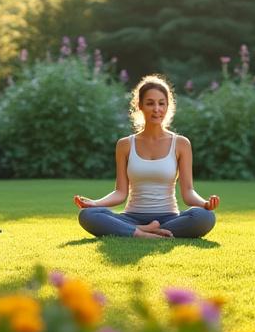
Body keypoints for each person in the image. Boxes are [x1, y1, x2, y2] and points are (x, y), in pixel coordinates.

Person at [74, 75, 218, 239]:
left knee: (205, 217)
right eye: (150, 103)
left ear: (167, 106)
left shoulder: (181, 144)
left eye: (161, 103)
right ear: (140, 106)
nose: (156, 109)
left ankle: (137, 231)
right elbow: (120, 192)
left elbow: (188, 192)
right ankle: (141, 232)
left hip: (169, 217)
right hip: (132, 216)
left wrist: (205, 204)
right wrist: (95, 203)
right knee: (87, 214)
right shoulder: (125, 145)